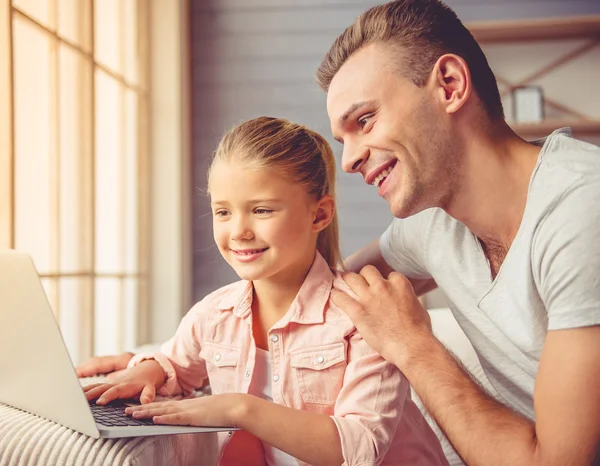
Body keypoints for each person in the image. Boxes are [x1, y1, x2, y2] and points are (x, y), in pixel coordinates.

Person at [315, 1, 600, 465]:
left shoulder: (581, 212)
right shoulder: (431, 223)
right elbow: (332, 287)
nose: (347, 160)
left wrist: (412, 345)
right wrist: (178, 363)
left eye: (363, 120)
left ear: (450, 85)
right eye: (341, 139)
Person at [82, 117, 448, 466]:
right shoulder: (214, 314)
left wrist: (240, 408)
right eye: (222, 212)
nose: (238, 231)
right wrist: (149, 369)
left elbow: (360, 447)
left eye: (261, 210)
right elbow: (175, 365)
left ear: (319, 215)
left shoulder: (363, 318)